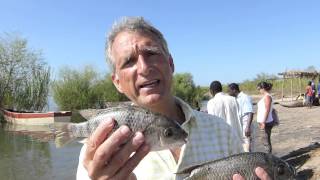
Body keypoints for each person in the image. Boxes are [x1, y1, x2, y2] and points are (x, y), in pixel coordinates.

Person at [76, 16, 271, 180]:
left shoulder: (222, 131)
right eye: (128, 61)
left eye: (151, 53)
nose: (144, 68)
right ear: (117, 82)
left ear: (170, 64)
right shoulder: (97, 154)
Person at [228, 83, 254, 152]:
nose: (228, 93)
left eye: (229, 91)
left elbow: (250, 112)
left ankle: (251, 161)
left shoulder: (245, 97)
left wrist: (247, 127)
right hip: (241, 125)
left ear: (234, 90)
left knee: (247, 147)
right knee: (244, 146)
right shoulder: (236, 98)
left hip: (246, 125)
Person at [256, 81, 275, 153]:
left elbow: (267, 109)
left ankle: (269, 160)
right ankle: (269, 158)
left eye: (259, 89)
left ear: (263, 88)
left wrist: (263, 122)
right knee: (265, 141)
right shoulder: (266, 96)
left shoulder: (267, 97)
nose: (259, 91)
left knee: (266, 142)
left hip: (266, 122)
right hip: (265, 121)